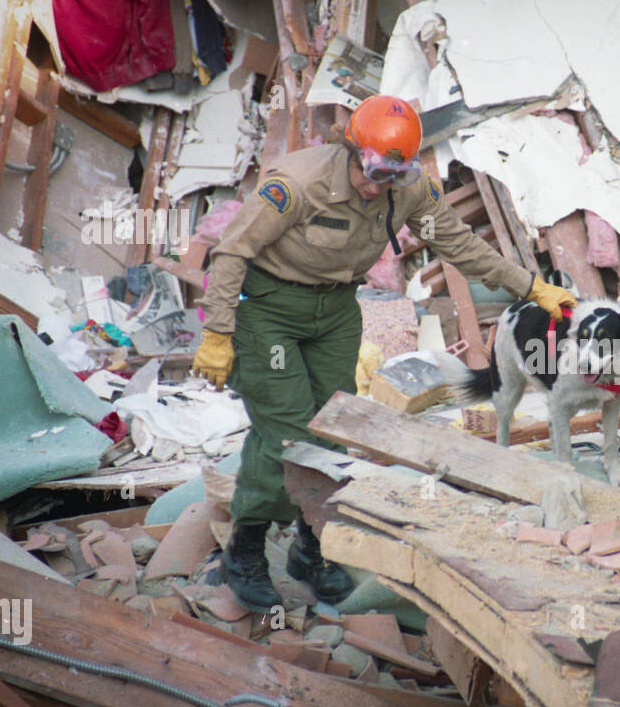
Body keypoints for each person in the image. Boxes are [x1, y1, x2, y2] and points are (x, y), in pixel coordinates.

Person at [191, 95, 577, 612]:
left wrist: (532, 288)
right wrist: (218, 335)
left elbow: (460, 246)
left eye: (391, 177)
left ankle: (313, 546)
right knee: (286, 429)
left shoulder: (408, 190)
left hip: (335, 313)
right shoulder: (297, 184)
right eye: (370, 172)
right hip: (270, 311)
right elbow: (233, 251)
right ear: (351, 149)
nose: (377, 187)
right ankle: (247, 548)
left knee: (335, 424)